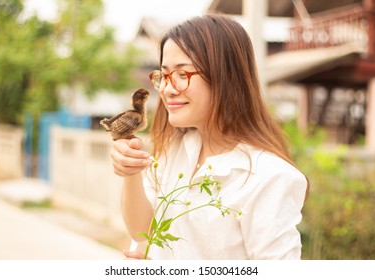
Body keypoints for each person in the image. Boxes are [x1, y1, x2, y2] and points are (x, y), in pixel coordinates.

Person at [110, 14, 309, 260]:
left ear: (225, 76)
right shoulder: (176, 147)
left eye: (183, 74)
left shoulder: (270, 178)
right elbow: (143, 233)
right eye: (164, 75)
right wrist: (131, 173)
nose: (166, 89)